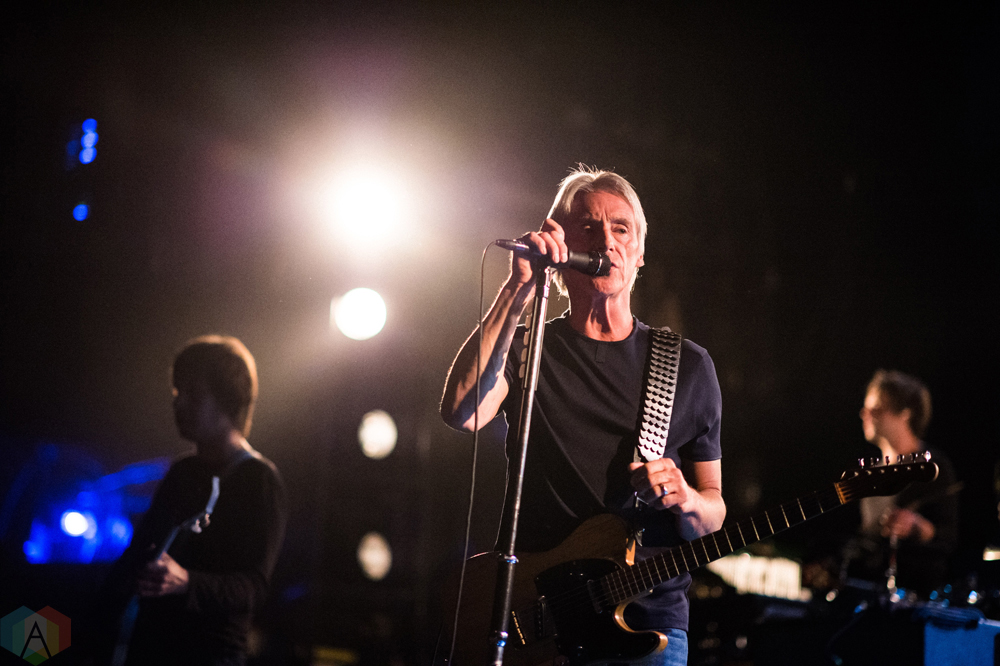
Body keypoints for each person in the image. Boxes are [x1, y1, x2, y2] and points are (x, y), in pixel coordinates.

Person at [440, 167, 725, 666]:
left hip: (646, 621)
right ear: (561, 246)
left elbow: (714, 511)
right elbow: (462, 412)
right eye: (588, 228)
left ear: (639, 253)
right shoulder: (528, 349)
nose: (606, 241)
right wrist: (518, 287)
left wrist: (686, 499)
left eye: (621, 228)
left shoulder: (687, 366)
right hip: (536, 612)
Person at [102, 335, 287, 666]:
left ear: (228, 402)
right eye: (177, 393)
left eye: (193, 394)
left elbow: (254, 588)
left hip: (209, 654)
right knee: (19, 637)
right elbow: (136, 556)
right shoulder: (182, 471)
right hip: (151, 649)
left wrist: (186, 582)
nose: (178, 403)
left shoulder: (260, 480)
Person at [854, 369, 958, 595]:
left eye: (876, 408)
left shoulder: (934, 466)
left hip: (916, 596)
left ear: (905, 414)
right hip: (872, 593)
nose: (864, 413)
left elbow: (950, 538)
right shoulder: (869, 474)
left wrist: (917, 527)